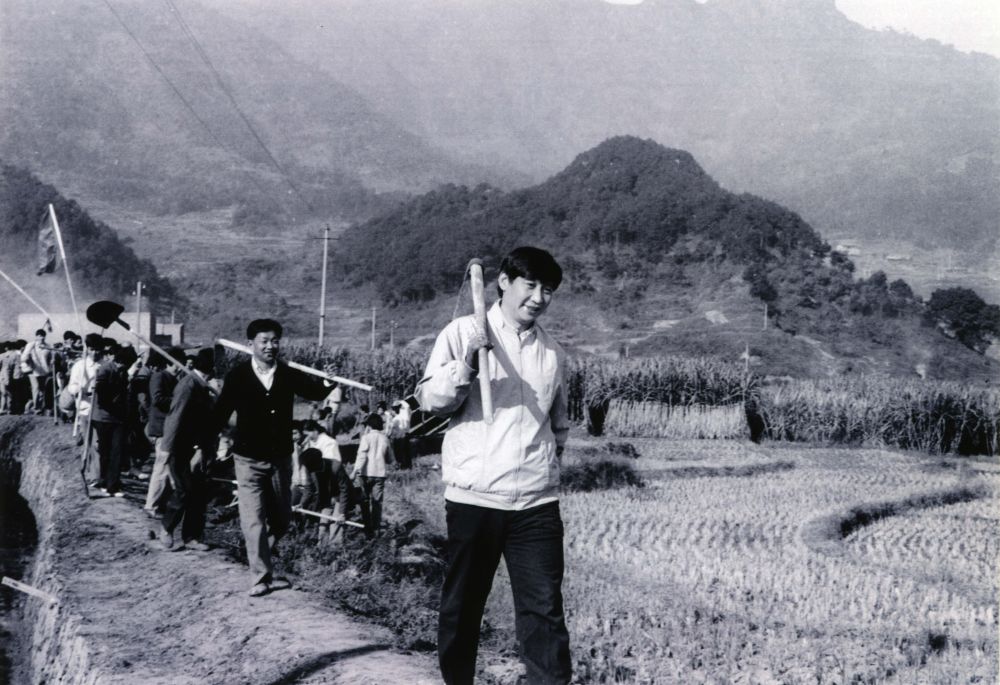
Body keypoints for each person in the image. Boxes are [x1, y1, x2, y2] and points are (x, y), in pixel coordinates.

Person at [416, 246, 572, 685]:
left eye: (548, 290)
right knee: (463, 605)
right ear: (503, 282)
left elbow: (558, 426)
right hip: (475, 497)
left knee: (544, 610)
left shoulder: (553, 352)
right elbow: (430, 400)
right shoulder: (463, 331)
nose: (538, 298)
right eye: (530, 285)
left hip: (536, 503)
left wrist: (544, 468)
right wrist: (467, 363)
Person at [214, 318, 332, 597]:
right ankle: (260, 575)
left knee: (282, 519)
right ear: (250, 344)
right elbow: (220, 412)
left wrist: (328, 381)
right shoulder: (238, 376)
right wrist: (207, 444)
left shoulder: (288, 374)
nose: (270, 346)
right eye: (264, 341)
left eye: (275, 341)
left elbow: (314, 391)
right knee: (253, 518)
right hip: (247, 458)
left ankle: (260, 552)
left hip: (280, 458)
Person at [157, 348, 217, 551]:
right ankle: (166, 527)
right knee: (184, 489)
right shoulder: (188, 385)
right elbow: (175, 417)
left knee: (199, 493)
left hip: (199, 447)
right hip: (180, 447)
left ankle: (192, 537)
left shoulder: (203, 386)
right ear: (211, 369)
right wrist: (166, 449)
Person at [143, 348, 183, 516]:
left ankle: (159, 504)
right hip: (161, 427)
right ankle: (151, 505)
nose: (179, 368)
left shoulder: (174, 379)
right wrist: (180, 400)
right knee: (162, 467)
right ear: (168, 363)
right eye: (176, 364)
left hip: (170, 428)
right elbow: (157, 399)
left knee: (167, 468)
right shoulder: (159, 376)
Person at [91, 340, 130, 497]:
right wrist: (116, 406)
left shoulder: (123, 372)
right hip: (103, 418)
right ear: (118, 361)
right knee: (105, 452)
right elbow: (102, 398)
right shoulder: (105, 370)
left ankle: (112, 485)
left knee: (117, 451)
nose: (125, 367)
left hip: (118, 419)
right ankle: (104, 481)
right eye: (124, 364)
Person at [351, 413, 393, 538]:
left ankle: (367, 528)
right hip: (379, 474)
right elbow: (390, 458)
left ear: (369, 425)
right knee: (377, 503)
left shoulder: (366, 438)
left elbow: (362, 456)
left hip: (365, 473)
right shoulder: (385, 438)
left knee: (364, 501)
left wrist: (355, 471)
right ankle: (376, 530)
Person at [20, 329, 51, 414]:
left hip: (44, 371)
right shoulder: (31, 345)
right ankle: (35, 407)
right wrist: (28, 360)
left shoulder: (47, 346)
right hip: (33, 371)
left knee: (42, 390)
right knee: (36, 388)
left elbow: (50, 358)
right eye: (40, 336)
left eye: (43, 336)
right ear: (36, 336)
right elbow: (23, 358)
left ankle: (41, 407)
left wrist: (51, 363)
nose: (42, 338)